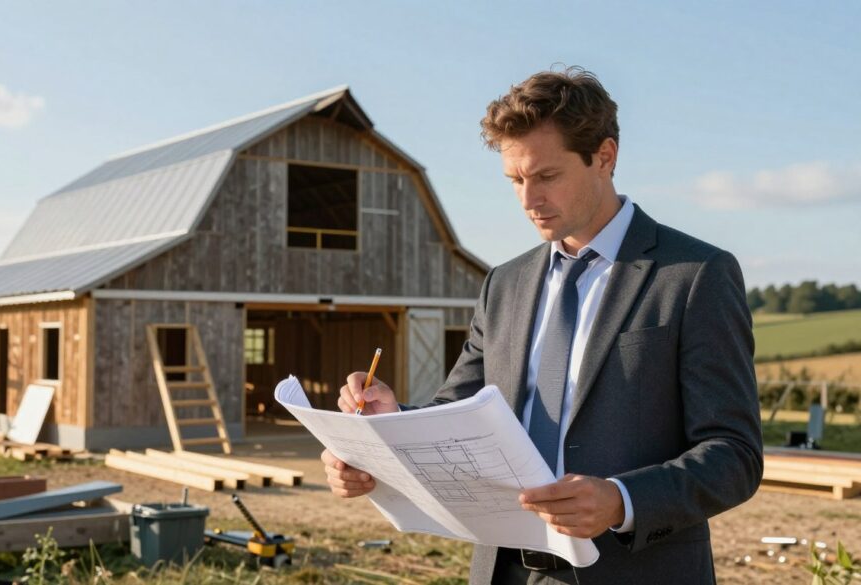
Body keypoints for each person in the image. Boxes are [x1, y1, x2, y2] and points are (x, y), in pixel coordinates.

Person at [321, 67, 763, 584]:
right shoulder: (503, 284)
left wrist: (621, 501)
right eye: (515, 180)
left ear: (605, 157)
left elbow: (734, 455)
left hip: (636, 570)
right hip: (504, 571)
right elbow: (455, 417)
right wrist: (386, 429)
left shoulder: (694, 276)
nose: (529, 200)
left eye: (546, 176)